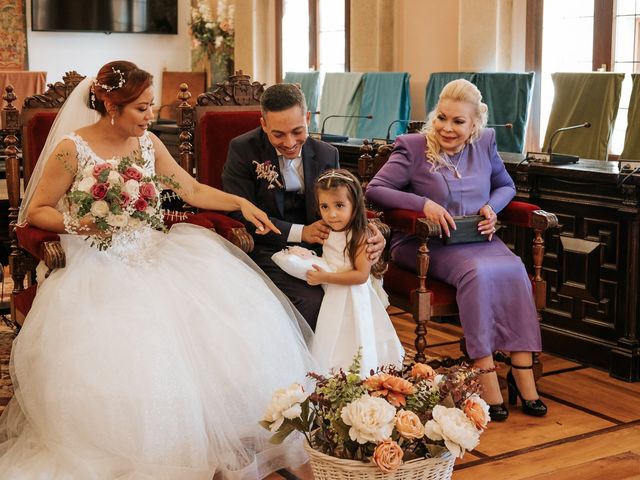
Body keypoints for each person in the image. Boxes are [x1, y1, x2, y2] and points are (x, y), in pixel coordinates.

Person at [0, 61, 316, 479]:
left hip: (152, 248)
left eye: (151, 107)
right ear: (111, 104)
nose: (151, 116)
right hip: (96, 258)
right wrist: (83, 223)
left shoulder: (148, 143)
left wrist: (239, 203)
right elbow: (37, 211)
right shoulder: (72, 149)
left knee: (221, 315)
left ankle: (211, 431)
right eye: (142, 108)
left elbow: (191, 189)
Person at [365, 79, 547, 421]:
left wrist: (492, 207)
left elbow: (506, 185)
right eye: (442, 118)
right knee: (476, 273)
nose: (447, 128)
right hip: (423, 243)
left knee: (515, 267)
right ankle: (485, 371)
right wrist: (423, 204)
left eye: (458, 121)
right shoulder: (412, 146)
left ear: (475, 123)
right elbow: (375, 190)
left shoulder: (485, 143)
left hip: (478, 239)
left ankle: (522, 369)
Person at [221, 84, 385, 329]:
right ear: (263, 124)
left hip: (324, 249)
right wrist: (300, 232)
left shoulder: (327, 153)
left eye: (297, 131)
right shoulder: (243, 149)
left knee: (353, 291)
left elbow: (347, 204)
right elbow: (236, 211)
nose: (289, 142)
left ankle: (348, 363)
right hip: (265, 248)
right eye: (278, 134)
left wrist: (369, 231)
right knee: (313, 299)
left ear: (307, 118)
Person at [305, 169, 404, 375]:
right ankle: (331, 377)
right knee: (333, 336)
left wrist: (324, 277)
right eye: (325, 206)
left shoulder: (359, 235)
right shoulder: (329, 230)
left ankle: (359, 376)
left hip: (353, 297)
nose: (331, 214)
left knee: (354, 337)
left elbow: (360, 276)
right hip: (334, 295)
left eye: (339, 205)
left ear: (354, 204)